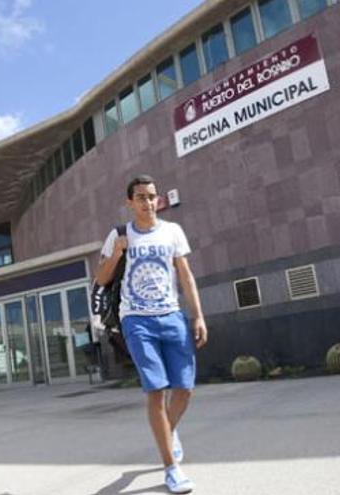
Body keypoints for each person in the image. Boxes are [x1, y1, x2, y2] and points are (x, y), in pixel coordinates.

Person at [95, 175, 208, 494]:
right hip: (137, 321)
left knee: (184, 390)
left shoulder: (173, 231)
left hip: (172, 316)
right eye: (141, 197)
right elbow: (101, 278)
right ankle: (172, 467)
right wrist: (117, 253)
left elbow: (185, 276)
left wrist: (198, 315)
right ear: (129, 203)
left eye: (152, 196)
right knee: (156, 391)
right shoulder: (119, 235)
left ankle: (168, 434)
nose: (148, 202)